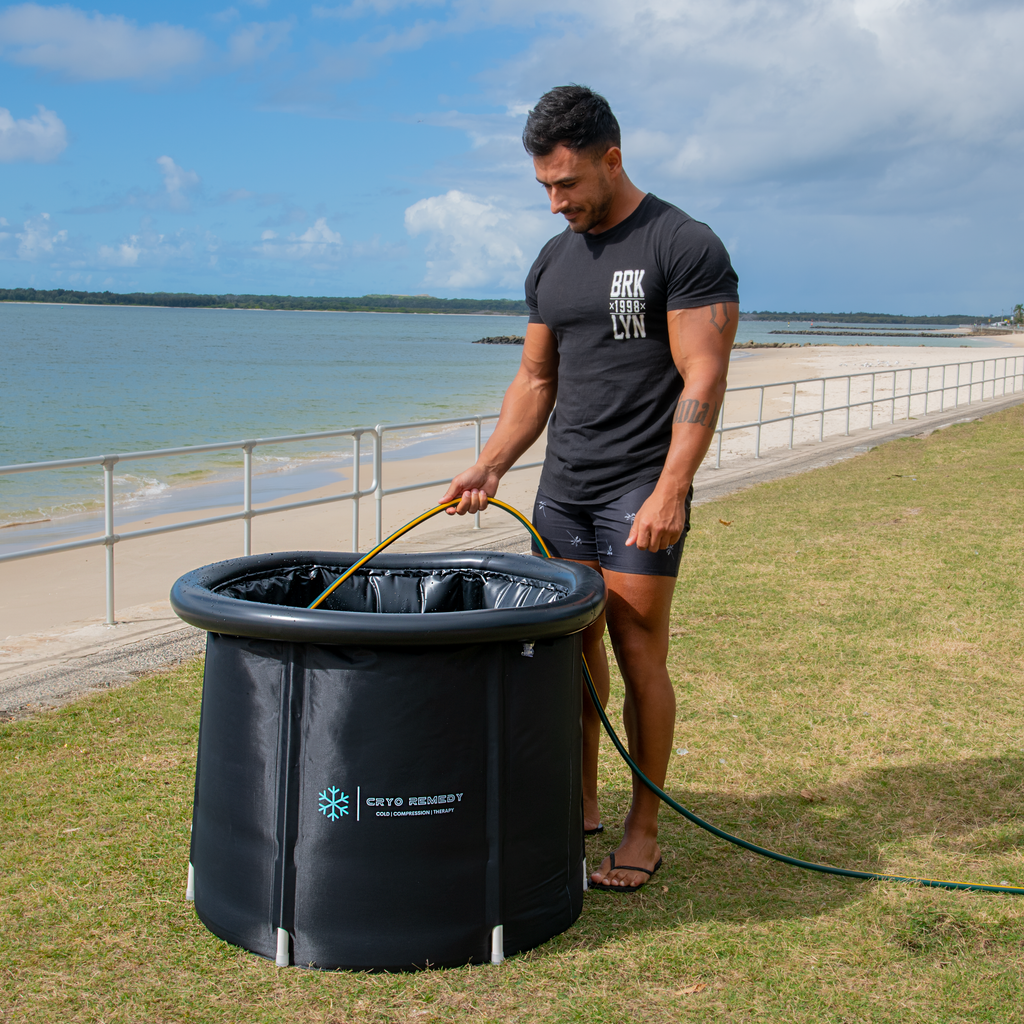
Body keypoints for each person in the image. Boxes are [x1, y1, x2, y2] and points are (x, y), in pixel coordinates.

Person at [440, 85, 739, 892]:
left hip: (639, 487)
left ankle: (644, 829)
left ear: (612, 158)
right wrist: (492, 461)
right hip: (563, 491)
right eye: (543, 185)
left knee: (640, 654)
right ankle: (579, 803)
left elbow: (702, 377)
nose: (554, 201)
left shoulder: (683, 244)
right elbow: (536, 378)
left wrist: (672, 489)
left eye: (567, 183)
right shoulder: (553, 260)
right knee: (569, 654)